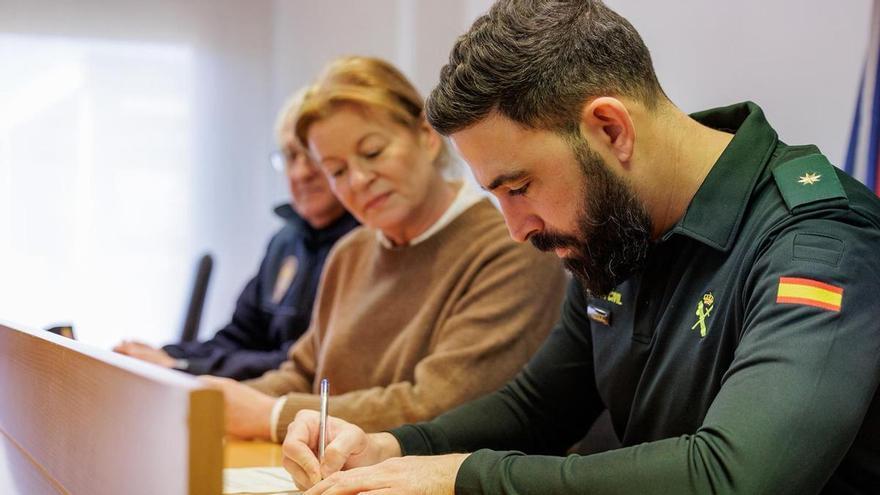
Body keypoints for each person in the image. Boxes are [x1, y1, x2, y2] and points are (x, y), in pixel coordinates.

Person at [280, 1, 880, 494]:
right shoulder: (618, 227)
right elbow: (539, 406)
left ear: (610, 130)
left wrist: (463, 478)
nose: (517, 229)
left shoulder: (817, 240)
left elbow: (736, 477)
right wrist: (393, 447)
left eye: (519, 188)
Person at [200, 56, 567, 443]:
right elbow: (303, 374)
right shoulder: (350, 252)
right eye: (337, 171)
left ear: (427, 136)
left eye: (373, 152)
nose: (358, 180)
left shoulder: (510, 251)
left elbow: (439, 406)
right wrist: (209, 404)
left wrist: (274, 415)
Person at [114, 89, 358, 380]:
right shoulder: (284, 241)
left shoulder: (364, 246)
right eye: (291, 157)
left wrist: (184, 367)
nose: (300, 173)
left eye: (313, 157)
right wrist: (167, 356)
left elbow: (307, 364)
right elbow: (240, 336)